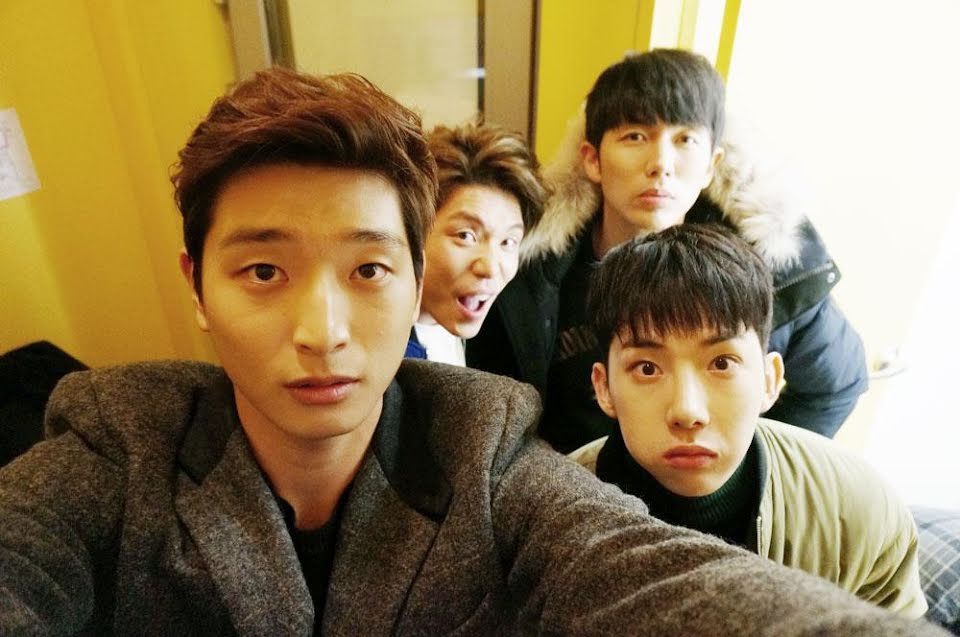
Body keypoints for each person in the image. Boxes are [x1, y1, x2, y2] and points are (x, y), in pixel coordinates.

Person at [0, 68, 947, 637]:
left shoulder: (482, 443)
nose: (323, 329)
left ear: (411, 278)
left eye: (369, 269)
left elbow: (652, 571)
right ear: (196, 285)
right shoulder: (115, 448)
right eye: (262, 271)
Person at [467, 48, 868, 452]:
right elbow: (497, 414)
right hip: (570, 481)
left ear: (711, 164)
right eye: (635, 137)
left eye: (684, 139)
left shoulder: (768, 262)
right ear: (592, 159)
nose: (661, 163)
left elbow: (835, 385)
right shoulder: (530, 270)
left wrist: (744, 467)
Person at [569, 222, 926, 616]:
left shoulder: (859, 510)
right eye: (648, 369)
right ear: (604, 388)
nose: (688, 411)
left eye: (722, 363)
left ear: (770, 379)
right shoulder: (554, 518)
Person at [405, 121, 546, 364]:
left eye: (508, 241)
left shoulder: (500, 335)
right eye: (466, 236)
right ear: (413, 231)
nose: (490, 268)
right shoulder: (376, 350)